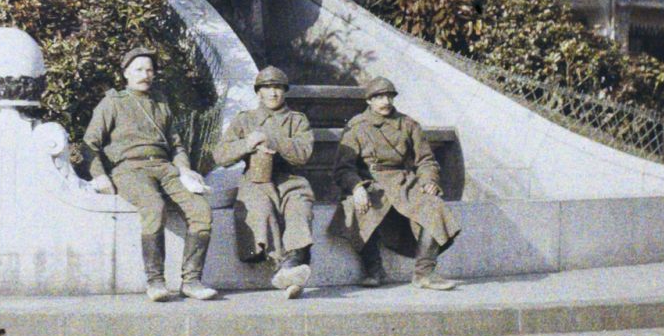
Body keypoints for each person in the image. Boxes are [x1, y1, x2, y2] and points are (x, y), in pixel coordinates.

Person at [83, 47, 217, 302]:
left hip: (165, 168)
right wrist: (99, 175)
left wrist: (184, 169)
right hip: (129, 169)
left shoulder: (161, 104)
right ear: (126, 73)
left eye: (149, 70)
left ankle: (191, 281)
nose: (145, 75)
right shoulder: (113, 102)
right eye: (138, 70)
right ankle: (155, 282)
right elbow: (90, 143)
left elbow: (176, 145)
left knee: (201, 211)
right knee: (154, 207)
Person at [335, 76, 461, 291]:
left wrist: (429, 180)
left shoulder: (408, 124)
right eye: (379, 97)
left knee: (434, 206)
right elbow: (343, 168)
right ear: (369, 101)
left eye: (389, 96)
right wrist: (356, 187)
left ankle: (424, 273)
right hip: (371, 182)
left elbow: (426, 160)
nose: (385, 102)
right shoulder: (357, 126)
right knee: (358, 209)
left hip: (404, 183)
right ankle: (373, 269)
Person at [212, 66, 316, 298]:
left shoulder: (297, 120)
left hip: (290, 178)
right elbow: (220, 156)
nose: (273, 93)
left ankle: (294, 263)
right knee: (260, 208)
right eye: (267, 88)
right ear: (259, 92)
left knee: (299, 206)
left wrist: (272, 139)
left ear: (285, 91)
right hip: (256, 179)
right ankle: (284, 266)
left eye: (278, 87)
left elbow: (303, 154)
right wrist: (247, 144)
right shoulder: (245, 119)